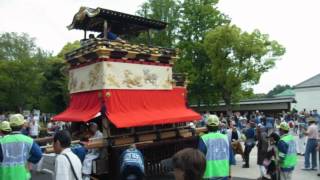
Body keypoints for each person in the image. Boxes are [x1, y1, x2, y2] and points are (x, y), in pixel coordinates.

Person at [0, 114, 42, 180]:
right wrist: (28, 160)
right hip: (22, 176)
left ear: (10, 125)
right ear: (22, 126)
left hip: (4, 176)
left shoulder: (1, 141)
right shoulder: (28, 140)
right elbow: (38, 154)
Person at [198, 115, 232, 180]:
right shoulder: (226, 138)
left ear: (207, 126)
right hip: (224, 174)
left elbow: (200, 159)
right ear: (218, 126)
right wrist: (230, 175)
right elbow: (230, 159)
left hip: (208, 174)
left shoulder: (203, 139)